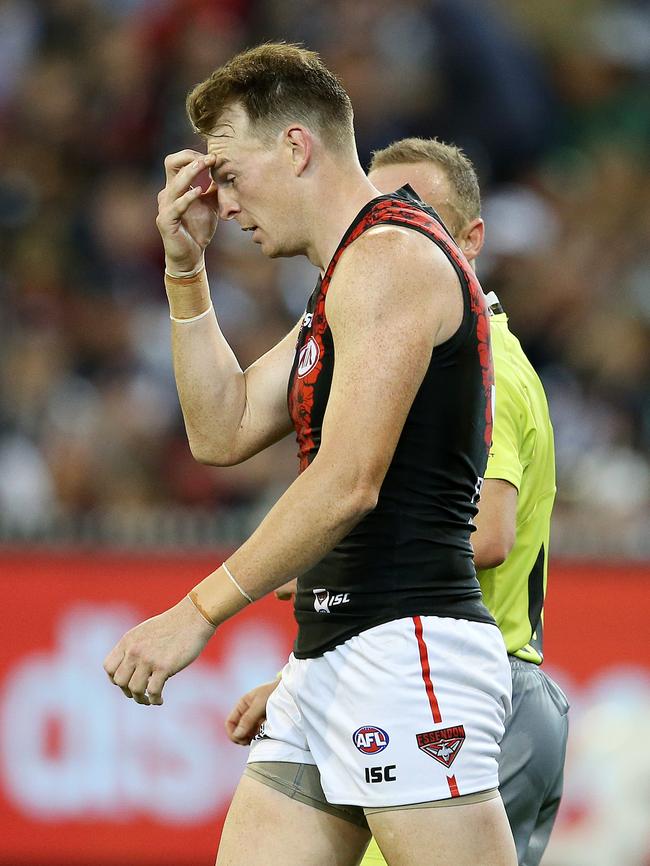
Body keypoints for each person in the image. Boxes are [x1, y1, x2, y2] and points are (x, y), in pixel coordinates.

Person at [104, 44, 516, 866]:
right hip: (331, 652)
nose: (216, 199)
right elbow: (219, 431)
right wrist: (186, 270)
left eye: (225, 170)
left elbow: (348, 484)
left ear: (295, 148)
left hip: (407, 648)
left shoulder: (392, 259)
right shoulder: (347, 279)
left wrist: (198, 612)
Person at [226, 137, 569, 866]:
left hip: (462, 685)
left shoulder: (486, 366)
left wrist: (320, 553)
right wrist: (306, 675)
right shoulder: (400, 340)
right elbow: (221, 427)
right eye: (378, 212)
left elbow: (487, 534)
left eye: (417, 212)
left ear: (471, 241)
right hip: (399, 669)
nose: (390, 231)